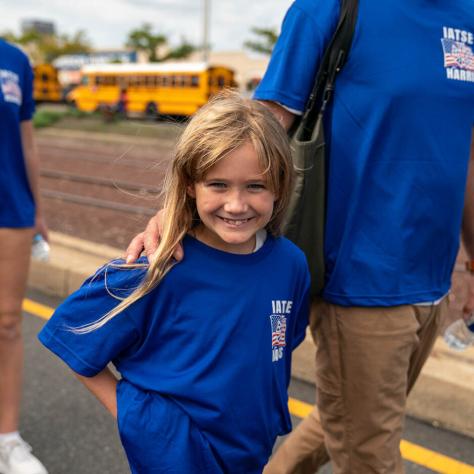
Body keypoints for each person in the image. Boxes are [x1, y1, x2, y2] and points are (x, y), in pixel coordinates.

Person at [126, 1, 474, 472]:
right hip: (358, 279)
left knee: (346, 418)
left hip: (432, 281)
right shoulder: (331, 7)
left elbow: (464, 151)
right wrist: (176, 213)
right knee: (370, 451)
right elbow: (261, 129)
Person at [38, 92, 311, 474]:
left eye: (255, 186)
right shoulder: (158, 265)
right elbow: (71, 334)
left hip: (250, 451)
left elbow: (279, 346)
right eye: (217, 185)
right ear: (189, 185)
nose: (236, 204)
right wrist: (140, 423)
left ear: (279, 187)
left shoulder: (290, 264)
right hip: (175, 459)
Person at [0, 39, 48, 474]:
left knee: (7, 324)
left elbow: (27, 144)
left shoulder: (15, 60)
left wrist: (38, 210)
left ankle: (7, 439)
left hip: (10, 208)